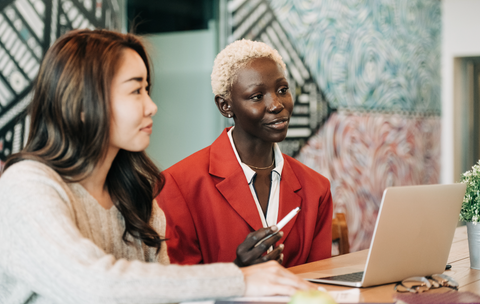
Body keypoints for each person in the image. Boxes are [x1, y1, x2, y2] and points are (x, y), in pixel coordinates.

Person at [0, 29, 315, 303]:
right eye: (135, 91)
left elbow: (165, 294)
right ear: (83, 104)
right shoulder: (27, 186)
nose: (152, 107)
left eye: (147, 90)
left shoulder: (133, 193)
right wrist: (239, 279)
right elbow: (96, 286)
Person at [157, 39, 333, 268]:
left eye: (282, 90)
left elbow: (321, 284)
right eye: (257, 96)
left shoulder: (316, 189)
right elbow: (177, 291)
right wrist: (236, 273)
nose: (276, 104)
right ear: (225, 106)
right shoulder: (177, 186)